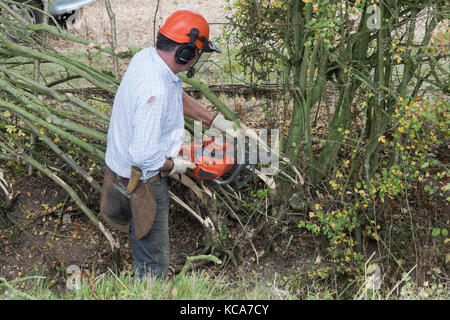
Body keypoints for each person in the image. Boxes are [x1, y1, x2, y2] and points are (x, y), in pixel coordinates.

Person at [100, 9, 239, 279]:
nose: (196, 59)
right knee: (153, 262)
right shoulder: (156, 91)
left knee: (139, 241)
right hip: (143, 182)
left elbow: (174, 90)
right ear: (186, 53)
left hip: (116, 169)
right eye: (197, 54)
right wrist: (178, 164)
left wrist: (213, 120)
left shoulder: (147, 59)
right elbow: (144, 157)